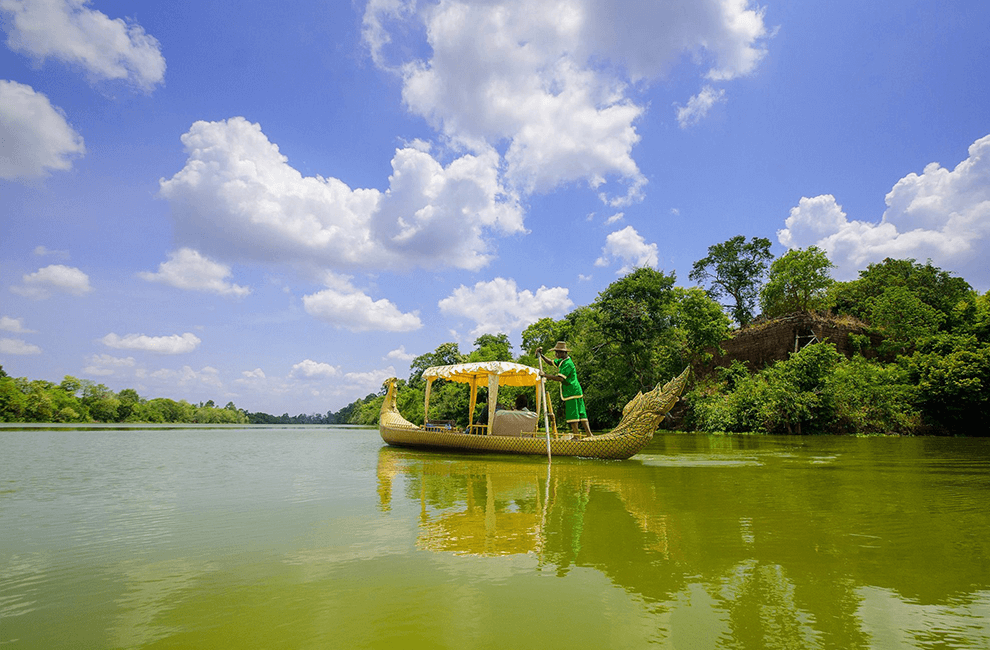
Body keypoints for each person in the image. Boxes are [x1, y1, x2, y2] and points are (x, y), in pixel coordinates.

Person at [537, 341, 593, 438]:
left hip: (571, 392)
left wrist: (545, 375)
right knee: (581, 412)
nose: (556, 354)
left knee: (574, 414)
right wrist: (541, 355)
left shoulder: (568, 363)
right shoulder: (563, 361)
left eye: (557, 352)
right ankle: (589, 435)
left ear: (563, 353)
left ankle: (577, 436)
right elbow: (551, 362)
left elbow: (560, 378)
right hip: (576, 391)